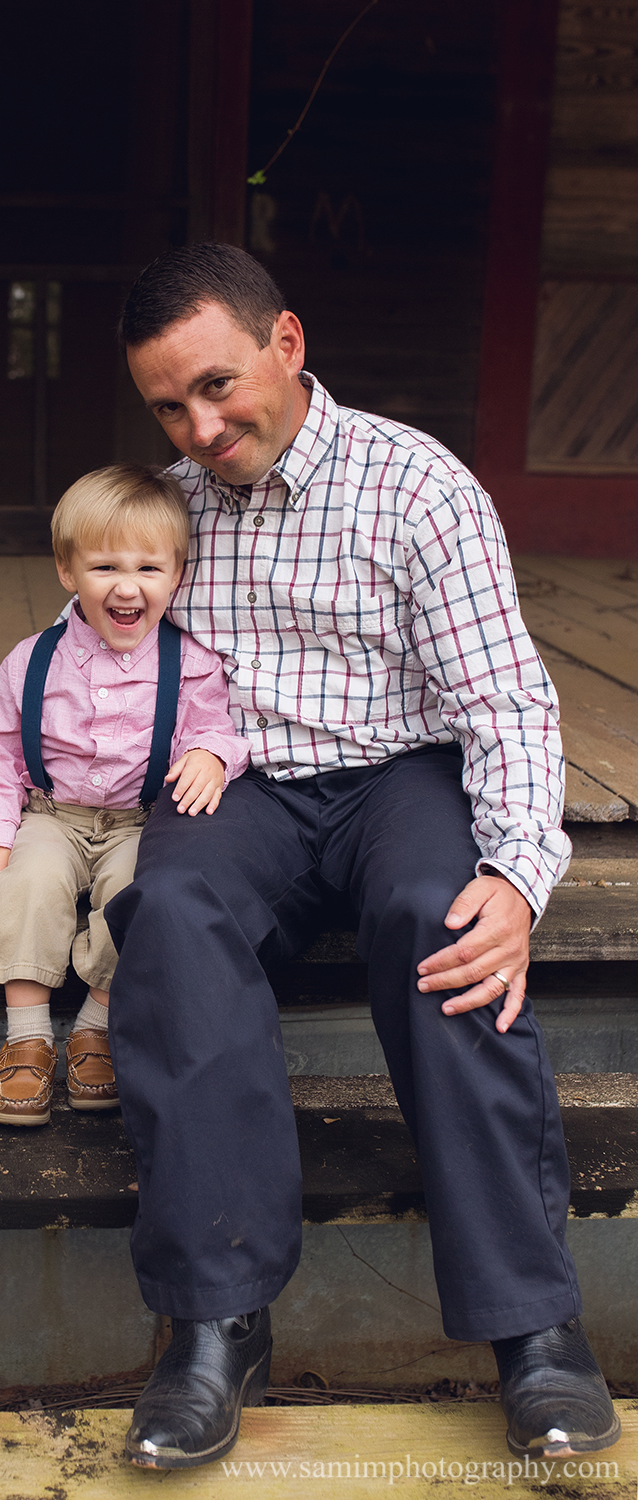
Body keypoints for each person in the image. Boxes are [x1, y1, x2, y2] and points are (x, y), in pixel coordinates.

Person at [103, 243, 620, 1470]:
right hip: (240, 781)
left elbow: (504, 701)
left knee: (442, 921)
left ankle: (533, 1326)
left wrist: (514, 875)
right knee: (169, 908)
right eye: (171, 405)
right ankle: (214, 1324)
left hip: (400, 778)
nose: (203, 425)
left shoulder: (414, 486)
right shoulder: (167, 507)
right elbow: (78, 665)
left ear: (288, 342)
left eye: (220, 385)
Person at [0, 463, 249, 1127]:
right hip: (54, 814)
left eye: (148, 569)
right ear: (67, 571)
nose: (127, 587)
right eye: (104, 567)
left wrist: (210, 755)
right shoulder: (32, 660)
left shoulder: (190, 663)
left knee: (143, 894)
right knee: (28, 880)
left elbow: (217, 727)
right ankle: (27, 1038)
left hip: (140, 821)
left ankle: (95, 1027)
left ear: (178, 575)